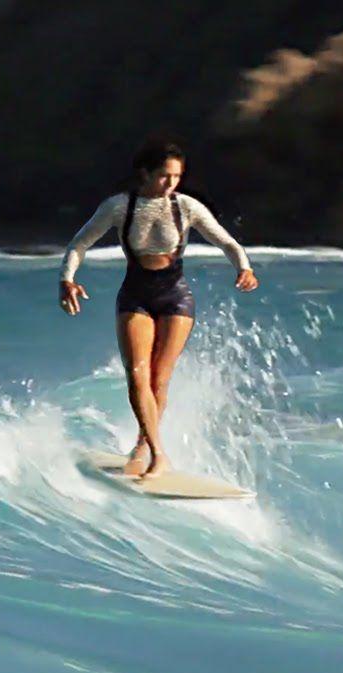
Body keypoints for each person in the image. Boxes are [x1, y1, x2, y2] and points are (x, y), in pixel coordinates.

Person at [58, 140, 259, 478]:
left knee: (159, 377)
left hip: (175, 296)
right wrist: (67, 279)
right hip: (135, 294)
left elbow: (226, 241)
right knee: (137, 374)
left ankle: (142, 447)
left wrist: (244, 267)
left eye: (177, 176)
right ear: (146, 173)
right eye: (164, 175)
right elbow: (80, 244)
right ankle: (158, 453)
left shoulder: (187, 207)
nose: (171, 183)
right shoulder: (119, 207)